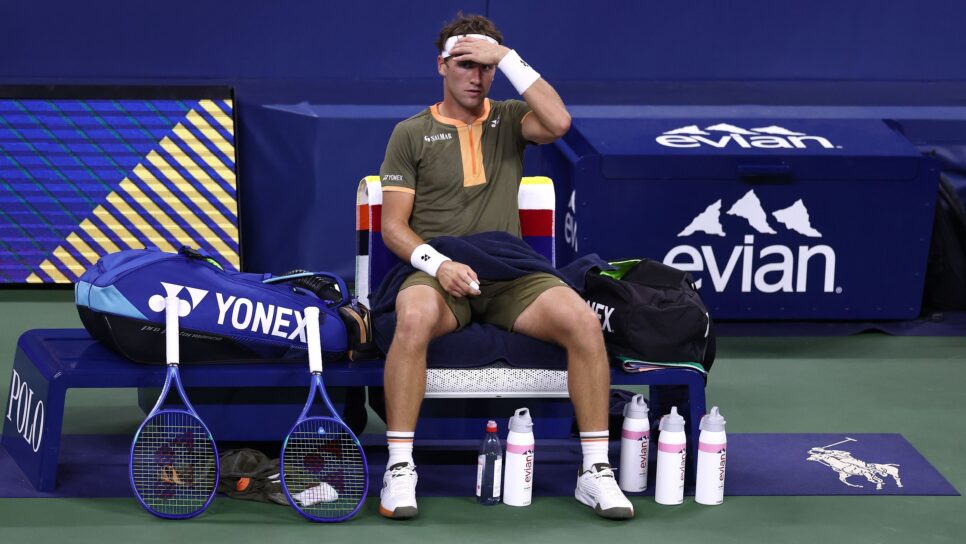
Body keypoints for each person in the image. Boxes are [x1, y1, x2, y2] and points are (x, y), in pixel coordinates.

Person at [376, 13, 634, 520]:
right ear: (442, 66)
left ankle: (595, 471)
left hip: (509, 271)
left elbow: (559, 123)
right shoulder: (410, 133)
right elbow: (393, 228)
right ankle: (400, 468)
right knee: (412, 317)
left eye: (486, 67)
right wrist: (438, 264)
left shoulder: (512, 118)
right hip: (440, 273)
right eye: (465, 64)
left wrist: (509, 58)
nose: (476, 77)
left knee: (583, 321)